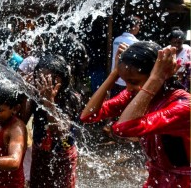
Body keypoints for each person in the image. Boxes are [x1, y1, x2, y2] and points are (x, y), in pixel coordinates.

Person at [80, 41, 191, 187]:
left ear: (157, 74)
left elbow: (123, 128)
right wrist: (115, 72)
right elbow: (88, 116)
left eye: (133, 81)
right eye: (125, 81)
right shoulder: (135, 95)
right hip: (156, 179)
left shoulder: (183, 104)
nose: (129, 88)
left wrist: (157, 78)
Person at [20, 54, 82, 188]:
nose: (42, 82)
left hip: (63, 155)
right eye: (39, 78)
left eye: (45, 78)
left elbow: (61, 132)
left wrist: (49, 102)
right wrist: (26, 93)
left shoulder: (72, 98)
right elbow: (22, 121)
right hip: (40, 153)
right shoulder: (36, 95)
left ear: (59, 80)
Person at [110, 15, 141, 97]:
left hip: (115, 78)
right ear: (133, 27)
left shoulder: (116, 40)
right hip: (126, 81)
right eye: (138, 25)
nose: (139, 28)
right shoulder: (135, 43)